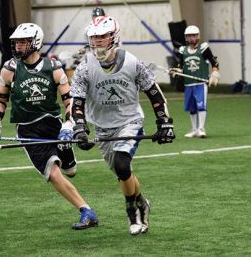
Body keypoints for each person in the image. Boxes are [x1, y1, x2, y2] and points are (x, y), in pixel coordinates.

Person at [0, 23, 98, 230]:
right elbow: (0, 99)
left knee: (71, 171)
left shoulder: (53, 68)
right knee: (53, 173)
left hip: (54, 125)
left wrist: (69, 124)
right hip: (27, 130)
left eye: (23, 42)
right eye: (16, 42)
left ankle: (65, 149)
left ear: (36, 43)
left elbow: (69, 101)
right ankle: (86, 210)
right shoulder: (10, 69)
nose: (18, 46)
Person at [68, 16, 175, 235]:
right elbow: (76, 101)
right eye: (93, 37)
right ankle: (142, 203)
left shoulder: (133, 62)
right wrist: (80, 127)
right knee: (122, 172)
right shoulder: (84, 67)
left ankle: (132, 214)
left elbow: (154, 93)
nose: (97, 41)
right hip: (103, 127)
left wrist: (164, 122)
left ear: (113, 37)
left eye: (102, 37)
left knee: (122, 164)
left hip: (130, 122)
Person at [174, 25, 220, 138]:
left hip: (200, 83)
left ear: (198, 36)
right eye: (189, 36)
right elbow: (181, 65)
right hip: (188, 83)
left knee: (201, 106)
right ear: (186, 38)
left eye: (193, 36)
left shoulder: (204, 49)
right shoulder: (183, 50)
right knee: (192, 108)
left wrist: (214, 74)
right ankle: (194, 129)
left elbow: (215, 62)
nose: (191, 38)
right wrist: (176, 71)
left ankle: (201, 129)